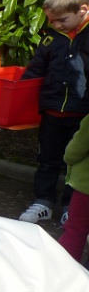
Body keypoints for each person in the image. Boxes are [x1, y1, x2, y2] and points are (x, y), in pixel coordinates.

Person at [18, 0, 89, 225]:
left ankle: (71, 207)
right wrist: (20, 89)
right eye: (52, 21)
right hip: (52, 112)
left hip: (82, 115)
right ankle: (43, 201)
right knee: (47, 160)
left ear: (83, 10)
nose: (56, 25)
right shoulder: (51, 39)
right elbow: (36, 69)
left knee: (76, 164)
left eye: (62, 20)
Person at [59, 113, 89, 263]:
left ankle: (63, 266)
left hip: (86, 187)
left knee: (75, 230)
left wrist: (68, 158)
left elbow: (75, 150)